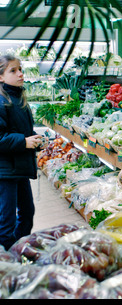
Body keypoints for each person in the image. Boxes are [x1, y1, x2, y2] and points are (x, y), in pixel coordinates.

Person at [0, 55, 47, 250]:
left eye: (20, 69)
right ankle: (7, 264)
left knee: (27, 213)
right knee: (6, 220)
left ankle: (18, 251)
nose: (20, 74)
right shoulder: (2, 101)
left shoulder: (18, 97)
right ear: (1, 76)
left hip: (18, 167)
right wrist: (23, 142)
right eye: (13, 70)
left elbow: (21, 131)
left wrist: (35, 139)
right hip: (5, 171)